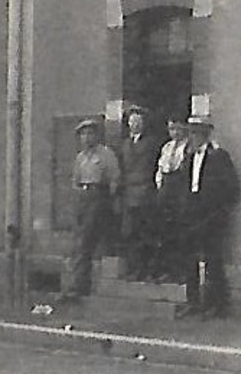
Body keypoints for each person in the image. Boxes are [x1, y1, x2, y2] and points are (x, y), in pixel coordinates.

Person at [175, 115, 240, 319]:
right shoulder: (188, 157)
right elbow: (183, 185)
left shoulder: (219, 156)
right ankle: (193, 301)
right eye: (191, 132)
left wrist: (219, 211)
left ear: (206, 134)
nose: (193, 136)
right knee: (190, 259)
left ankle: (217, 304)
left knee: (213, 260)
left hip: (211, 214)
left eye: (197, 132)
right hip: (192, 213)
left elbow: (232, 187)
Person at [57, 117, 120, 303]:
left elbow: (114, 178)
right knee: (78, 240)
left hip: (98, 197)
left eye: (90, 133)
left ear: (97, 135)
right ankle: (77, 285)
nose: (86, 137)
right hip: (82, 198)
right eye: (83, 134)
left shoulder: (106, 154)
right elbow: (75, 180)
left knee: (84, 241)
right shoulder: (81, 157)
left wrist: (108, 199)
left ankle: (78, 286)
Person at [118, 105, 162, 281]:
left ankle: (147, 270)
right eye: (132, 122)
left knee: (146, 233)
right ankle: (133, 270)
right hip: (129, 194)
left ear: (144, 124)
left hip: (145, 193)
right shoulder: (124, 145)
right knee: (129, 233)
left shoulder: (151, 143)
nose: (135, 125)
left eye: (138, 121)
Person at [153, 117, 191, 282]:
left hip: (180, 188)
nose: (174, 132)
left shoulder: (188, 147)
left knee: (180, 229)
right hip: (166, 188)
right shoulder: (167, 147)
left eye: (178, 129)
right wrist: (160, 185)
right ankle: (166, 268)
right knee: (164, 229)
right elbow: (160, 169)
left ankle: (180, 270)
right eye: (171, 129)